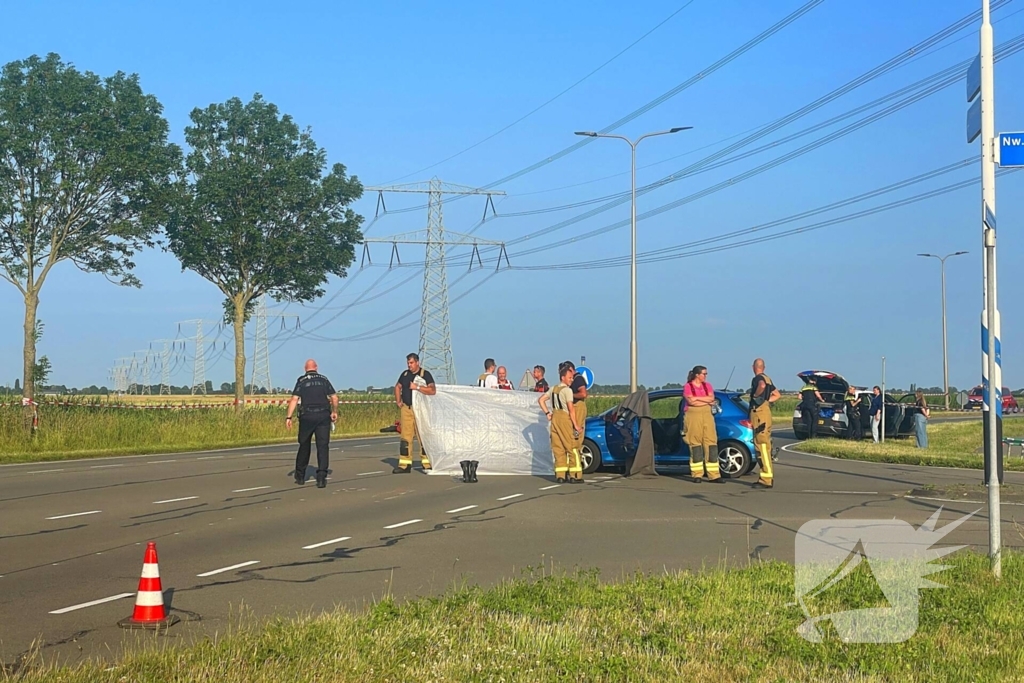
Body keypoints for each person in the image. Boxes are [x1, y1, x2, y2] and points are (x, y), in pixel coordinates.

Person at [285, 359, 338, 488]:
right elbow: (334, 397)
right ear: (316, 367)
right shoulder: (324, 379)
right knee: (323, 446)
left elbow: (294, 399)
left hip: (307, 416)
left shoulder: (302, 380)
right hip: (323, 416)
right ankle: (321, 477)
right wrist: (334, 411)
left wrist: (288, 417)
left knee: (304, 445)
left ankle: (300, 476)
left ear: (305, 368)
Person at [539, 362, 582, 483]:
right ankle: (574, 475)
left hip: (554, 418)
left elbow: (541, 400)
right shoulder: (567, 390)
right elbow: (571, 409)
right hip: (564, 418)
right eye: (569, 378)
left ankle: (560, 475)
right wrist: (576, 425)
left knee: (558, 448)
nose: (571, 380)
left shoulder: (553, 389)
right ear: (563, 377)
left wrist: (547, 413)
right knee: (571, 446)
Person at [394, 353, 437, 474]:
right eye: (408, 363)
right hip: (407, 408)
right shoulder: (405, 374)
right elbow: (397, 387)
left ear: (417, 362)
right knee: (405, 437)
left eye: (411, 363)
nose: (409, 365)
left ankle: (427, 463)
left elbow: (432, 390)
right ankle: (404, 465)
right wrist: (398, 401)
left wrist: (417, 387)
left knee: (422, 436)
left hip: (421, 410)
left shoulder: (425, 375)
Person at [684, 365, 721, 483]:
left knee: (711, 443)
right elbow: (690, 401)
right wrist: (705, 401)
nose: (705, 376)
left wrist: (698, 399)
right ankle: (697, 474)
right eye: (704, 374)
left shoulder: (708, 386)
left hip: (707, 416)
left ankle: (714, 475)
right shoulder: (688, 386)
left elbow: (712, 398)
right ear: (697, 375)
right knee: (695, 444)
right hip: (693, 416)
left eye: (706, 374)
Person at [749, 359, 780, 488]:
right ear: (764, 367)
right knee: (765, 445)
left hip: (759, 415)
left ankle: (766, 478)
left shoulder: (758, 379)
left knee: (761, 446)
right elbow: (777, 395)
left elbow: (761, 386)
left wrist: (756, 397)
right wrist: (766, 401)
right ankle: (766, 476)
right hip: (765, 412)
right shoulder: (768, 379)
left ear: (753, 367)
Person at [568, 361, 588, 481]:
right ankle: (572, 471)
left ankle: (576, 472)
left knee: (576, 439)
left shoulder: (578, 379)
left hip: (578, 408)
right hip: (573, 408)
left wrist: (570, 395)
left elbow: (583, 394)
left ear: (571, 369)